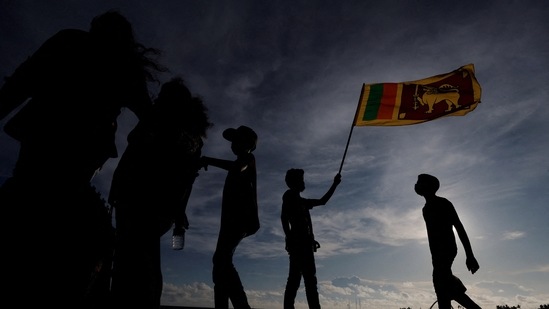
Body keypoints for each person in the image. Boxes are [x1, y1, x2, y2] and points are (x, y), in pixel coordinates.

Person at [0, 10, 164, 308]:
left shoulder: (71, 42)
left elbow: (18, 85)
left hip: (50, 149)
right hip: (66, 154)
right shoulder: (118, 62)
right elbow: (150, 119)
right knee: (53, 220)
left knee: (31, 210)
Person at [108, 77, 212, 308]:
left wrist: (118, 186)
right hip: (164, 207)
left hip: (138, 198)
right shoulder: (193, 137)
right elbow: (188, 178)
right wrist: (179, 210)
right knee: (146, 257)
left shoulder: (158, 120)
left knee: (130, 258)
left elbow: (134, 153)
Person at [201, 125, 260, 309]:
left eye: (237, 140)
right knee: (220, 264)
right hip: (230, 221)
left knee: (221, 260)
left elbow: (237, 167)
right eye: (233, 141)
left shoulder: (248, 159)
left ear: (248, 144)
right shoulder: (242, 162)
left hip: (240, 221)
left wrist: (208, 160)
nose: (233, 144)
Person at [414, 174, 482, 309]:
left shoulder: (443, 203)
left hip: (447, 250)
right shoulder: (425, 209)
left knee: (441, 286)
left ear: (428, 186)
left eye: (420, 182)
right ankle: (456, 290)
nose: (416, 185)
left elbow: (459, 227)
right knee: (444, 289)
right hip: (436, 254)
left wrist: (470, 255)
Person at [281, 169, 342, 309]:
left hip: (305, 245)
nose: (303, 182)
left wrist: (335, 184)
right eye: (301, 180)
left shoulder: (303, 202)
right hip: (298, 245)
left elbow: (323, 201)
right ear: (294, 182)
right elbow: (284, 218)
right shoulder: (289, 196)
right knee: (296, 281)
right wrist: (289, 237)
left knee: (308, 282)